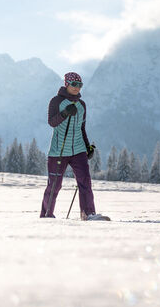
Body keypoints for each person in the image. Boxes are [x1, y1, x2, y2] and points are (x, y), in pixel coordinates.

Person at [40, 72, 107, 220]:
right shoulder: (56, 101)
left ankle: (88, 214)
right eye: (74, 84)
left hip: (78, 150)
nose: (77, 88)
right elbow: (52, 122)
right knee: (54, 186)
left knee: (85, 183)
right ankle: (46, 215)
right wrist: (65, 113)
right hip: (59, 150)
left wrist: (87, 147)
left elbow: (81, 128)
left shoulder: (82, 105)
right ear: (67, 84)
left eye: (80, 85)